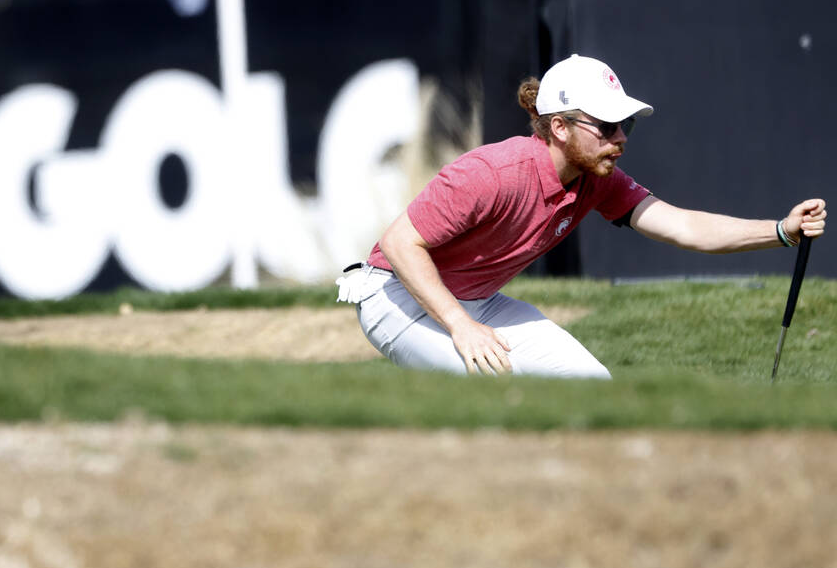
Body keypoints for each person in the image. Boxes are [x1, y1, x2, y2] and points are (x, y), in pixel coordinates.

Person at [336, 54, 827, 378]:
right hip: (394, 296)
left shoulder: (598, 180)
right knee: (493, 382)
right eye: (608, 125)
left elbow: (683, 226)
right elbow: (400, 244)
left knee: (593, 384)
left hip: (475, 299)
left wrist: (781, 231)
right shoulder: (493, 172)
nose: (622, 137)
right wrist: (460, 326)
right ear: (559, 127)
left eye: (626, 124)